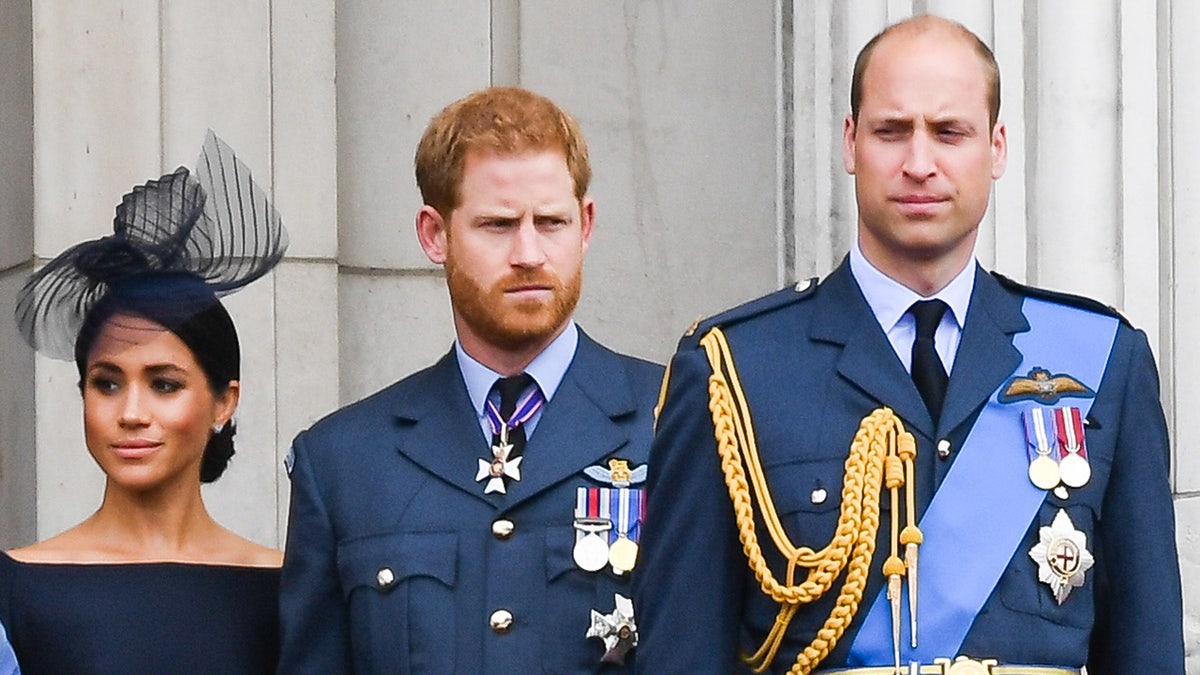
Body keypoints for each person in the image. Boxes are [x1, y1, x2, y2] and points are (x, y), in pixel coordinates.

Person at [635, 14, 1184, 675]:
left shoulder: (1102, 360)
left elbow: (1145, 650)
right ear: (850, 143)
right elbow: (681, 655)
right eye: (892, 132)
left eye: (949, 132)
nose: (919, 163)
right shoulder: (735, 372)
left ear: (997, 147)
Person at [278, 86, 663, 673]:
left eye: (551, 222)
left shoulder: (678, 425)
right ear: (435, 234)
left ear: (585, 225)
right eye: (499, 225)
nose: (529, 252)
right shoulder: (342, 462)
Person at [1, 132, 289, 674]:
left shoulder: (290, 591)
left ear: (224, 402)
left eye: (164, 384)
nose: (131, 413)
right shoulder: (15, 589)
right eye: (107, 383)